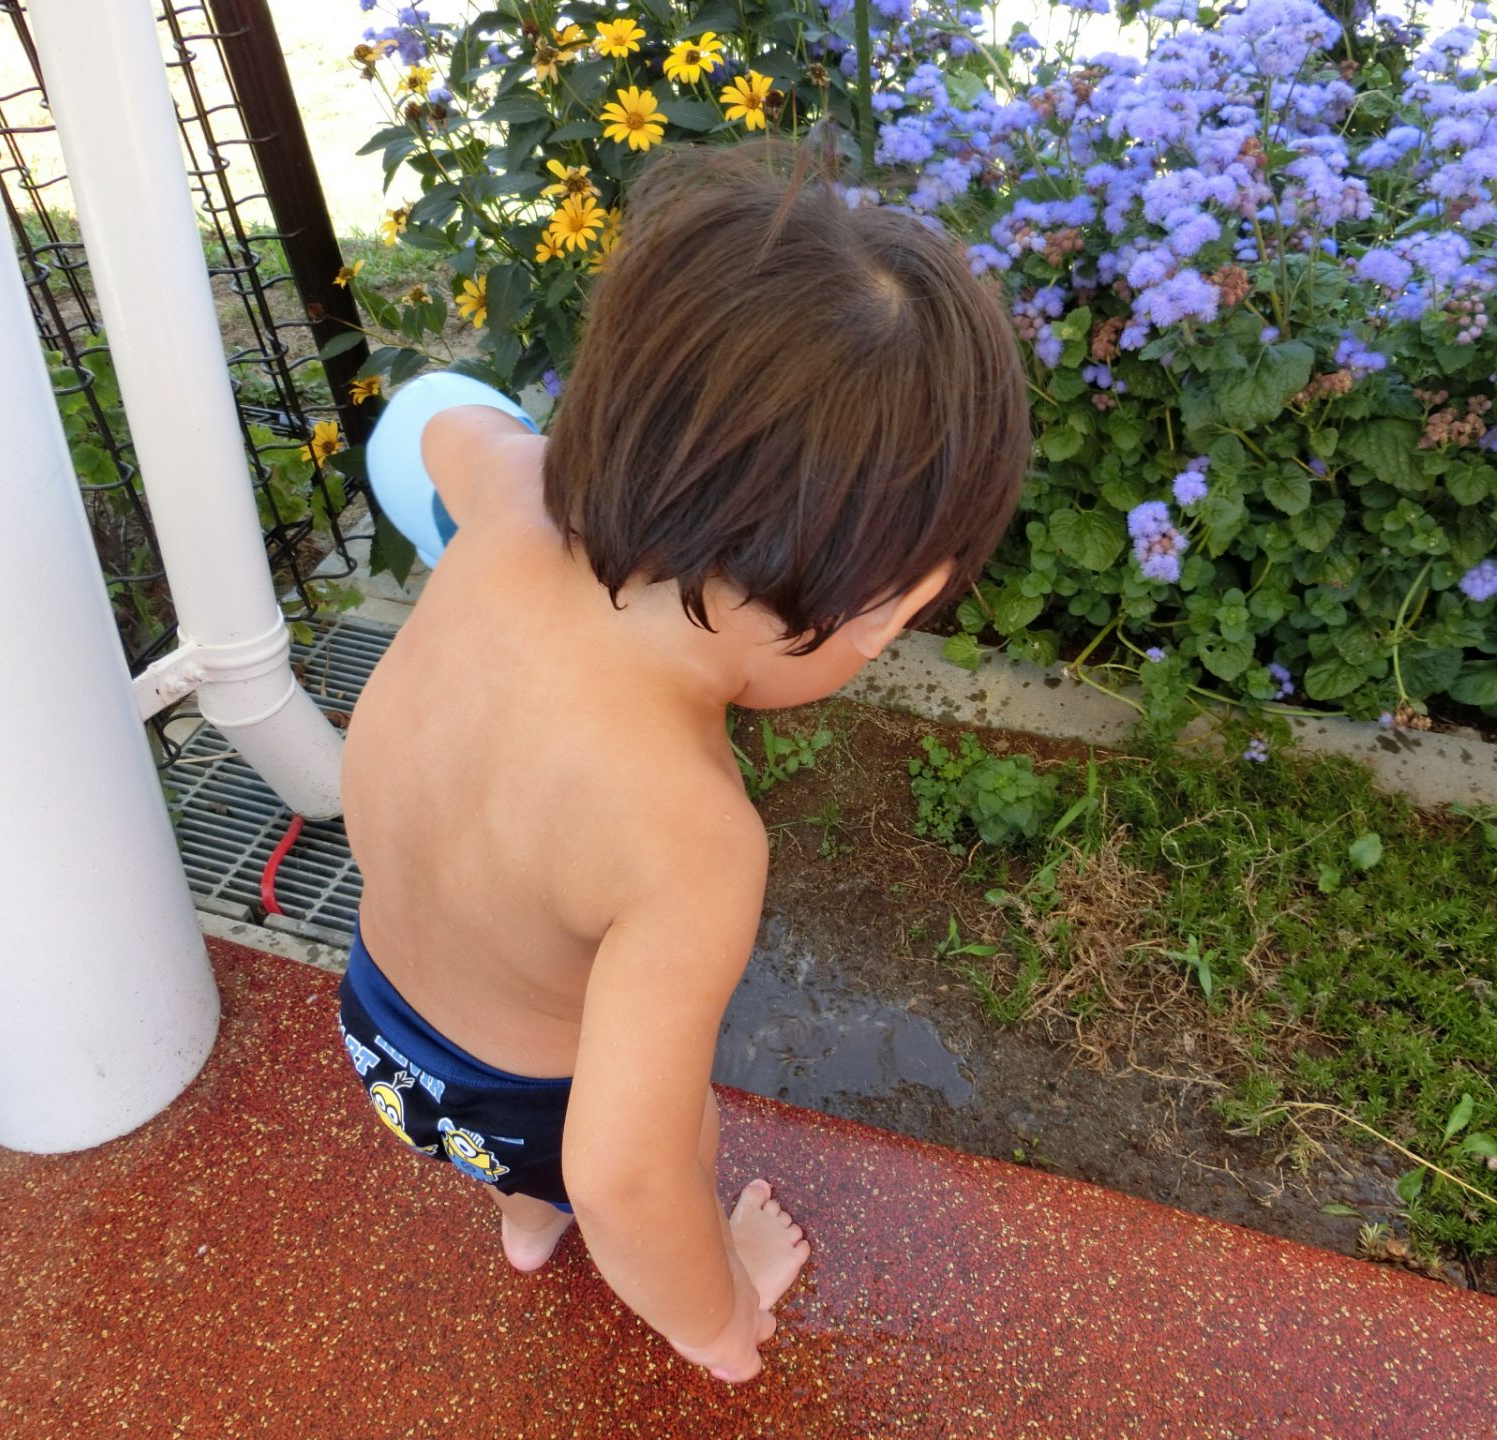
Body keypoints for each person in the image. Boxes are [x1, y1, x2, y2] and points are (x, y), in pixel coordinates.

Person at [335, 137, 1030, 1384]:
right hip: (532, 1106)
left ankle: (523, 1227)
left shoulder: (512, 492)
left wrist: (486, 461)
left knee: (527, 1168)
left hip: (378, 1024)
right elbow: (627, 1170)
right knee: (671, 1134)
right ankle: (624, 1251)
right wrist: (718, 1320)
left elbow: (433, 420)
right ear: (885, 609)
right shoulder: (691, 837)